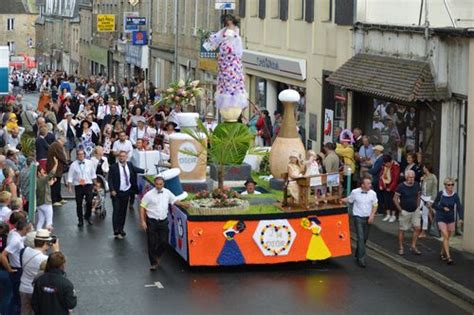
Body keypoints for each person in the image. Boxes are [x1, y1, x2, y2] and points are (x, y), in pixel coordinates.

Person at [140, 176, 179, 270]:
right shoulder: (148, 195)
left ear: (163, 184)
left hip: (163, 221)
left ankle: (157, 254)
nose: (158, 186)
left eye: (160, 184)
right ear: (154, 183)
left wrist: (185, 204)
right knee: (151, 242)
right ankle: (153, 263)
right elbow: (142, 207)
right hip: (152, 221)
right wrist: (143, 221)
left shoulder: (167, 192)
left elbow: (175, 200)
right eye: (157, 184)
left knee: (164, 242)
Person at [20, 229, 60, 315]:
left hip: (23, 287)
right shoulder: (44, 259)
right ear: (46, 243)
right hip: (35, 290)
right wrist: (56, 250)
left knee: (24, 312)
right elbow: (58, 268)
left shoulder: (26, 250)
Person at [342, 176, 378, 268]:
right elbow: (349, 199)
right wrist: (340, 200)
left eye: (370, 183)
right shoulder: (355, 192)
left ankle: (358, 254)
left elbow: (375, 205)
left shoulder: (373, 193)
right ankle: (361, 259)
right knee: (361, 237)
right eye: (368, 183)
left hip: (367, 218)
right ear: (362, 185)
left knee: (364, 238)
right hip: (358, 217)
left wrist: (372, 215)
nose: (370, 185)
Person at [108, 151, 144, 239]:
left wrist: (147, 170)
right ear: (118, 157)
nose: (122, 158)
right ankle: (116, 230)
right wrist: (112, 190)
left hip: (126, 192)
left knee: (123, 211)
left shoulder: (130, 165)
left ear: (126, 157)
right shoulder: (113, 167)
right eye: (120, 156)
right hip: (116, 192)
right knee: (116, 210)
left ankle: (121, 229)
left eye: (123, 156)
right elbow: (110, 179)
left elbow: (137, 170)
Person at [1, 219, 29, 315]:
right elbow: (3, 255)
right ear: (24, 229)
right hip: (16, 269)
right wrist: (9, 269)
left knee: (13, 296)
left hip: (16, 268)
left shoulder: (13, 233)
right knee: (16, 297)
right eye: (28, 229)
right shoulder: (16, 241)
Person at [433, 178, 463, 265]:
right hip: (441, 216)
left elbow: (459, 207)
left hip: (450, 218)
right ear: (445, 185)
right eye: (449, 185)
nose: (451, 186)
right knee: (445, 235)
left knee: (447, 238)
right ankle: (449, 257)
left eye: (452, 184)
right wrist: (442, 208)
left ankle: (442, 253)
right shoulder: (441, 194)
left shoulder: (455, 195)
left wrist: (461, 218)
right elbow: (434, 204)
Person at [393, 170, 421, 256]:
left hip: (415, 210)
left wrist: (418, 206)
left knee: (417, 227)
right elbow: (395, 199)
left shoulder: (417, 185)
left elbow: (419, 196)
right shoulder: (401, 187)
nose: (411, 179)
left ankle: (413, 245)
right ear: (406, 177)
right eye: (409, 177)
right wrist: (401, 210)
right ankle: (401, 247)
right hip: (405, 211)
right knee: (402, 229)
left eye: (412, 177)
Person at [67, 149, 97, 227]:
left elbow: (93, 174)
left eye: (82, 154)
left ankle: (88, 216)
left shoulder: (90, 163)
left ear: (84, 155)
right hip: (78, 186)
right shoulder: (73, 165)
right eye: (79, 154)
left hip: (88, 185)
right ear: (77, 156)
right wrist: (69, 187)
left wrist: (96, 184)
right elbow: (70, 176)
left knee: (89, 201)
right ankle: (80, 220)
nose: (81, 156)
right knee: (79, 203)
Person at [36, 157, 58, 231]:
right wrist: (56, 164)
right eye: (42, 171)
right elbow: (51, 174)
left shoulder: (37, 180)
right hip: (46, 202)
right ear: (38, 173)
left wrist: (52, 182)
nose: (44, 171)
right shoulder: (42, 179)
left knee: (41, 220)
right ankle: (47, 237)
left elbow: (47, 184)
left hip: (39, 204)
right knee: (49, 222)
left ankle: (38, 234)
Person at [46, 136, 68, 207]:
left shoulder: (55, 144)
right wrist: (66, 162)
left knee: (57, 184)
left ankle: (59, 198)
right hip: (54, 168)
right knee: (54, 185)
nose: (63, 144)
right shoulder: (56, 145)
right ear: (61, 140)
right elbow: (62, 156)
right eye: (63, 143)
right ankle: (54, 200)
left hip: (56, 168)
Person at [419, 164, 438, 238]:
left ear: (427, 168)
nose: (423, 169)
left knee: (424, 215)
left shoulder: (433, 177)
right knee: (416, 210)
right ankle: (418, 228)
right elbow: (421, 188)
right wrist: (421, 180)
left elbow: (434, 190)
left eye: (424, 167)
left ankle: (423, 232)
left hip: (428, 197)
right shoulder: (424, 177)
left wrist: (431, 201)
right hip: (422, 197)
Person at [379, 154, 400, 223]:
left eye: (387, 163)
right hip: (385, 185)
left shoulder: (395, 166)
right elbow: (381, 176)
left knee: (392, 201)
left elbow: (395, 179)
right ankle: (388, 214)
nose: (386, 165)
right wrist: (381, 185)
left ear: (390, 162)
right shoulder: (384, 166)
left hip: (393, 187)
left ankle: (393, 215)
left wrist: (390, 188)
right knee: (386, 200)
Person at [368, 145, 384, 213]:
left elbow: (375, 170)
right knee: (377, 194)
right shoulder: (379, 158)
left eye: (375, 150)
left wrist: (367, 170)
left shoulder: (380, 159)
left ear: (378, 151)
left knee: (378, 195)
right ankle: (379, 209)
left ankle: (380, 210)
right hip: (376, 178)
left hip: (377, 179)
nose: (374, 152)